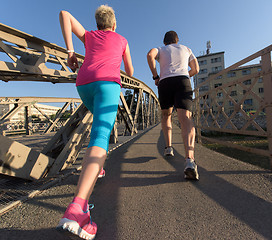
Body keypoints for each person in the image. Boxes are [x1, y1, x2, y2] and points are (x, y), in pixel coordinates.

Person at [57, 5, 133, 239]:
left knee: (99, 127)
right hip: (107, 84)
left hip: (84, 84)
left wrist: (71, 51)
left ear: (98, 23)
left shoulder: (89, 36)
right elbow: (129, 71)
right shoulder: (122, 40)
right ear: (114, 25)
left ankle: (97, 167)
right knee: (100, 135)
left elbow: (65, 15)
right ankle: (78, 209)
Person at [147, 31, 200, 180]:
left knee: (166, 115)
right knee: (185, 118)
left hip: (165, 83)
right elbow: (196, 69)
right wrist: (184, 75)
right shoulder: (186, 49)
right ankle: (190, 161)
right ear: (177, 40)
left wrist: (156, 76)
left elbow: (150, 55)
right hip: (182, 81)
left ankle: (168, 147)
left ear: (165, 42)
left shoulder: (161, 49)